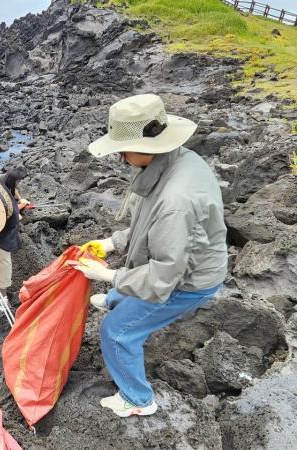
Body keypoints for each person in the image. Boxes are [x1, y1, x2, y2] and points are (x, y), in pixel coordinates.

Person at [74, 94, 227, 417]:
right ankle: (118, 296)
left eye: (121, 149)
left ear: (144, 148)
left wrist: (109, 276)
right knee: (120, 296)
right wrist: (113, 243)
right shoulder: (174, 161)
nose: (120, 156)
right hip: (190, 261)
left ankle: (138, 399)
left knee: (116, 331)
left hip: (190, 282)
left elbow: (164, 277)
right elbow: (149, 223)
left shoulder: (176, 201)